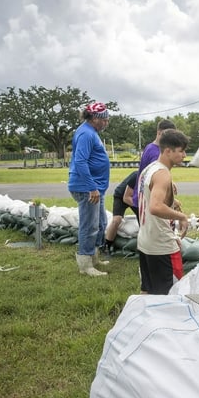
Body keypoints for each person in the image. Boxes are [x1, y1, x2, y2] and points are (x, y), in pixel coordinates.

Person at [136, 129, 190, 295]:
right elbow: (156, 207)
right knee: (170, 295)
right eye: (181, 151)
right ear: (168, 151)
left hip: (146, 241)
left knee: (148, 291)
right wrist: (182, 216)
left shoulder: (150, 169)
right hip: (161, 245)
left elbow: (149, 197)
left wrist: (173, 202)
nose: (184, 155)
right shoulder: (162, 174)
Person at [68, 102, 112, 277]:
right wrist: (91, 187)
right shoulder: (86, 134)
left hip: (95, 188)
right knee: (89, 226)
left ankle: (93, 257)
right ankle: (85, 264)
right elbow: (80, 162)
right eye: (105, 119)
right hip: (87, 188)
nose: (107, 122)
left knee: (101, 223)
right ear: (95, 119)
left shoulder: (90, 132)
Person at [132, 119, 176, 217]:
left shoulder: (150, 146)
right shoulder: (156, 153)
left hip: (142, 198)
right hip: (148, 201)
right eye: (168, 136)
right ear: (159, 133)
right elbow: (155, 179)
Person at [102, 170, 138, 254]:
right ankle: (107, 245)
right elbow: (126, 198)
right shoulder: (136, 175)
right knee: (116, 220)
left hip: (136, 199)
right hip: (121, 197)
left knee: (144, 219)